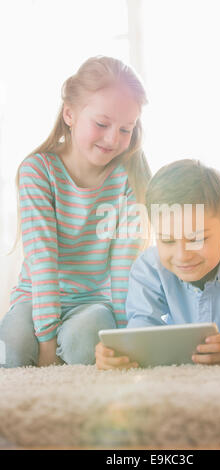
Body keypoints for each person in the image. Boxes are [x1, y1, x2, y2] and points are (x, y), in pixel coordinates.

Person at [0, 55, 151, 368]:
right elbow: (43, 261)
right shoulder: (38, 171)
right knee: (12, 347)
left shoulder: (126, 178)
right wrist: (46, 342)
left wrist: (123, 338)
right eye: (101, 124)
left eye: (126, 129)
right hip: (35, 297)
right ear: (70, 114)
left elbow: (123, 268)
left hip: (94, 302)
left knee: (85, 345)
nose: (113, 139)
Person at [95, 159, 220, 369]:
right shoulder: (148, 268)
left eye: (196, 239)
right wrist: (118, 354)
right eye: (167, 240)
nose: (182, 255)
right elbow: (140, 337)